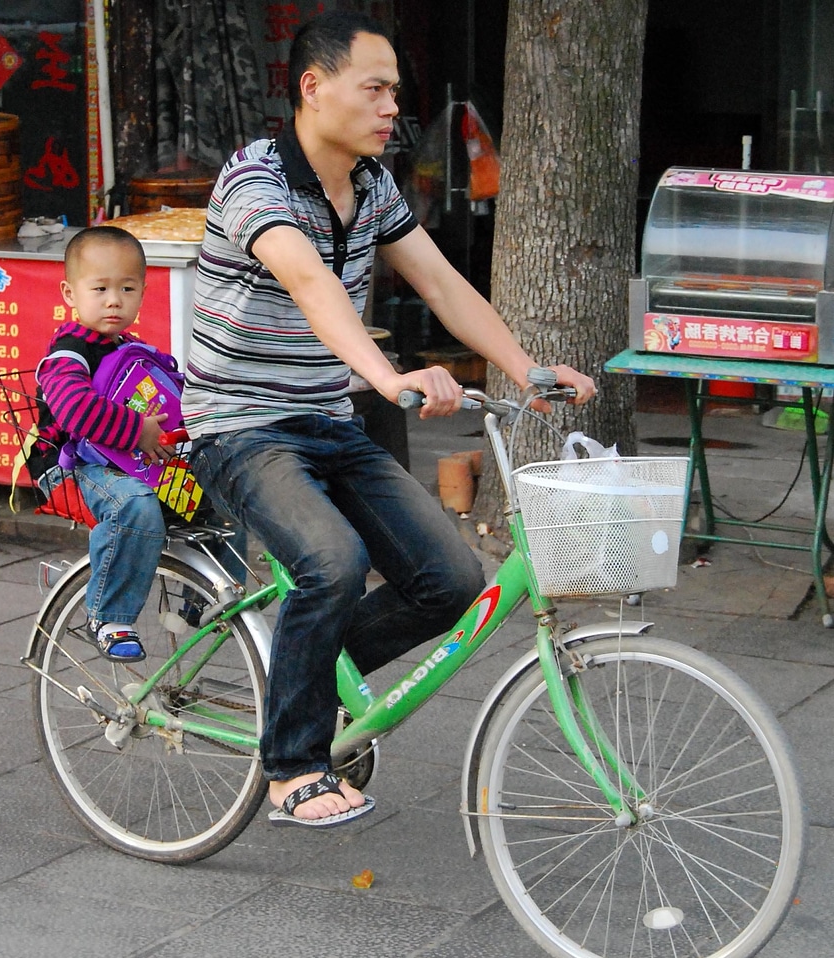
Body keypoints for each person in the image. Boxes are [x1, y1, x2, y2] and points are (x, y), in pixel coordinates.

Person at [181, 11, 597, 827]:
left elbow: (441, 285)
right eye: (373, 88)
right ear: (313, 87)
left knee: (450, 581)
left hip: (327, 419)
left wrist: (526, 370)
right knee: (331, 563)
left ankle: (302, 681)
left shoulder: (371, 188)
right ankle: (291, 764)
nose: (389, 109)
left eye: (393, 93)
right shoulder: (253, 179)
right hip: (240, 423)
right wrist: (387, 374)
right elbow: (308, 283)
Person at [34, 225, 176, 663]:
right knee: (133, 504)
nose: (114, 300)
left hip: (122, 460)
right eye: (100, 288)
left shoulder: (130, 348)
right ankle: (110, 615)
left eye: (127, 288)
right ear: (69, 293)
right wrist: (139, 431)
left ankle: (209, 598)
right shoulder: (69, 353)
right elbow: (75, 409)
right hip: (77, 467)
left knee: (226, 474)